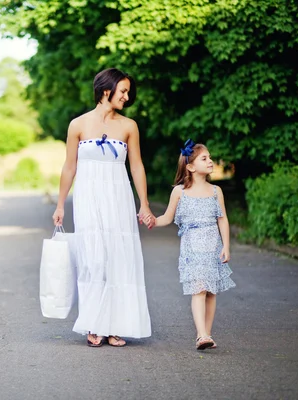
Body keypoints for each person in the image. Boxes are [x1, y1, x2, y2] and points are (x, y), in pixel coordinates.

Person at [52, 68, 154, 347]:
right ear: (106, 91)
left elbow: (136, 166)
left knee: (118, 258)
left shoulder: (129, 126)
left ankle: (116, 325)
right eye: (123, 90)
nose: (127, 96)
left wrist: (144, 203)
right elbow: (69, 166)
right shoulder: (78, 125)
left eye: (128, 91)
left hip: (118, 198)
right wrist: (61, 204)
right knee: (93, 259)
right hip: (88, 198)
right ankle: (94, 323)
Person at [147, 139, 236, 350]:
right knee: (199, 289)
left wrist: (226, 246)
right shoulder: (180, 192)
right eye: (205, 158)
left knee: (211, 291)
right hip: (192, 247)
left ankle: (206, 334)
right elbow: (167, 217)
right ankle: (201, 335)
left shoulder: (216, 191)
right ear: (191, 166)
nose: (211, 161)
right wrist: (153, 220)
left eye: (210, 157)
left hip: (212, 246)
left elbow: (222, 219)